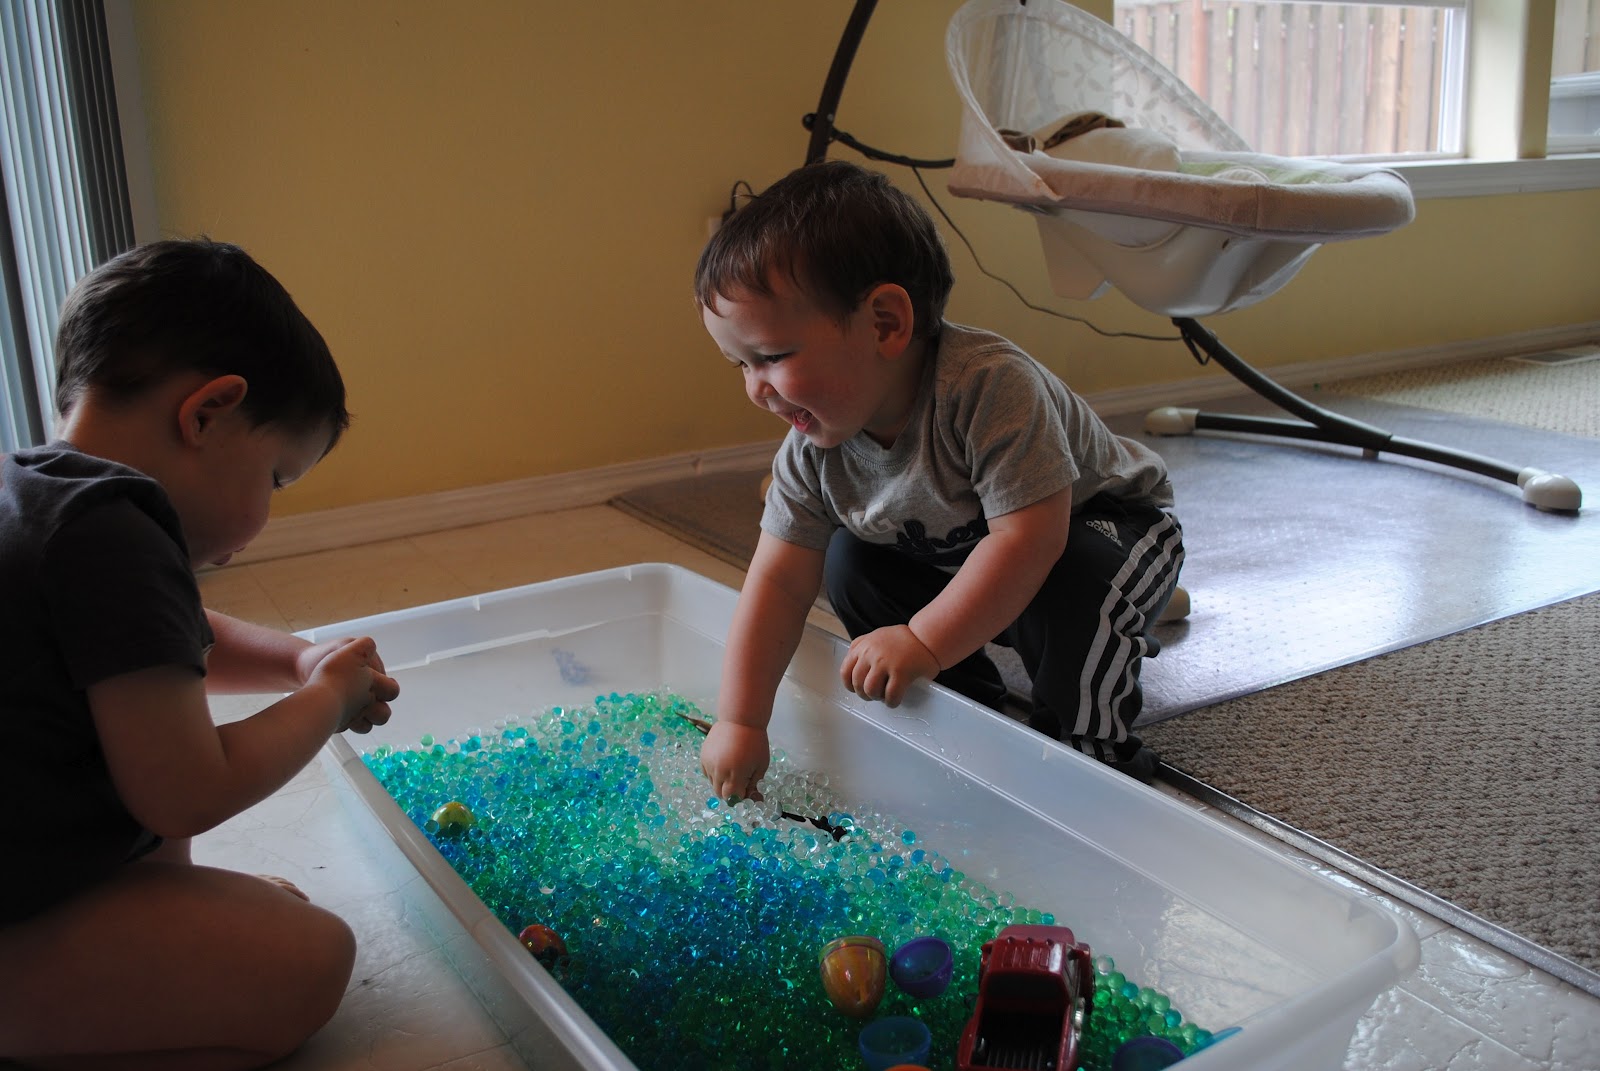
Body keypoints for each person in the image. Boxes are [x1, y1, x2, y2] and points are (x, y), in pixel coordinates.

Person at [0, 239, 400, 1070]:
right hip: (21, 925)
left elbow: (157, 641)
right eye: (276, 477)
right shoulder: (117, 530)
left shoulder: (39, 494)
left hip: (35, 862)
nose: (266, 511)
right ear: (209, 413)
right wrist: (323, 700)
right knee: (309, 964)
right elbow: (189, 791)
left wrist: (300, 659)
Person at [694, 160, 1183, 801]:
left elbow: (1029, 542)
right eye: (741, 364)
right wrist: (741, 718)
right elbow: (779, 579)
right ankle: (965, 709)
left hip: (1104, 526)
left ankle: (1090, 758)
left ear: (886, 324)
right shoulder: (811, 450)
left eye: (773, 357)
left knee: (1077, 592)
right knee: (848, 558)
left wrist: (922, 639)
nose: (757, 389)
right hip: (966, 555)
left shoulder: (988, 388)